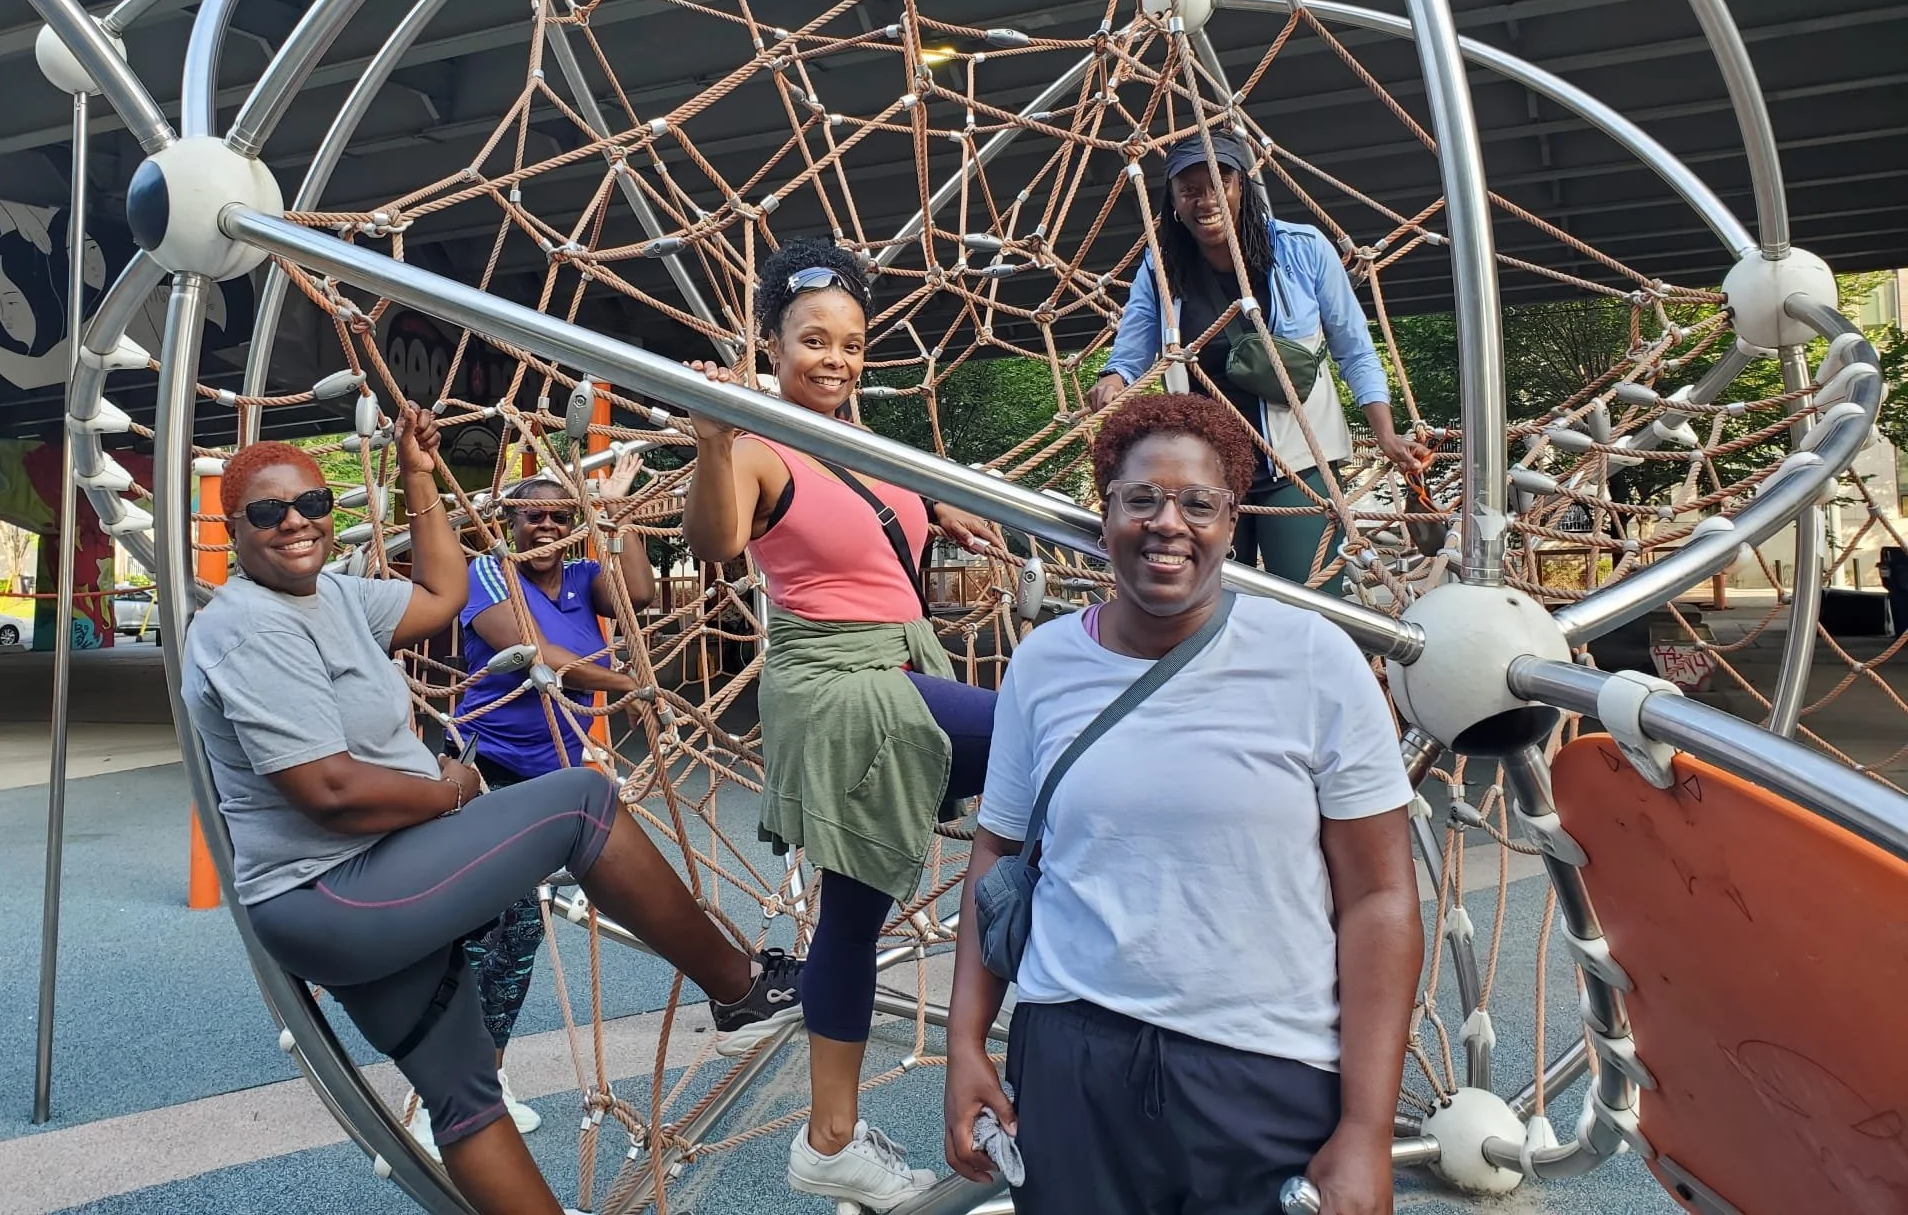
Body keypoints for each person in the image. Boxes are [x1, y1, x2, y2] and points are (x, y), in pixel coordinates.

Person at [181, 403, 803, 1215]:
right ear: (234, 528)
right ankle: (741, 990)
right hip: (338, 888)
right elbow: (329, 791)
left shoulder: (329, 597)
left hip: (362, 884)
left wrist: (416, 474)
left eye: (313, 504)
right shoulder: (249, 628)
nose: (296, 522)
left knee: (465, 1095)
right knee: (582, 805)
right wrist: (450, 789)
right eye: (269, 512)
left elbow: (441, 592)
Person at [943, 393, 1420, 1215]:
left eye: (1199, 502)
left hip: (1264, 1070)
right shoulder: (1045, 664)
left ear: (1232, 521)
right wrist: (965, 1045)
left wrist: (1367, 1126)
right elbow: (998, 855)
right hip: (1071, 1060)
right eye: (1142, 499)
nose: (1170, 522)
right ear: (1107, 515)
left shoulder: (1313, 659)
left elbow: (1379, 896)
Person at [681, 239, 1001, 1210]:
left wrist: (943, 514)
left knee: (852, 919)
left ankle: (828, 1143)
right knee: (1044, 734)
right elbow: (719, 544)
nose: (835, 358)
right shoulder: (755, 446)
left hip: (900, 665)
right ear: (770, 342)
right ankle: (1069, 1042)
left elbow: (878, 522)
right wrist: (707, 440)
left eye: (852, 343)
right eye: (813, 339)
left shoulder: (866, 448)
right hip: (839, 689)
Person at [398, 455, 666, 1157]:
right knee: (485, 928)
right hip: (488, 768)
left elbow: (638, 593)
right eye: (533, 514)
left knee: (519, 938)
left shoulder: (582, 576)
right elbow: (533, 650)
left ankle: (479, 1078)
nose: (546, 524)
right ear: (509, 521)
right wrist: (629, 685)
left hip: (554, 771)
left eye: (559, 515)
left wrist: (617, 514)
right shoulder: (489, 572)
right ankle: (441, 1093)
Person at [1088, 130, 1429, 589]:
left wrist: (1384, 433)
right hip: (1208, 466)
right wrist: (1113, 379)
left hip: (1297, 461)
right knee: (1210, 599)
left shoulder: (1302, 248)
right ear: (1171, 200)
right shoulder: (1161, 266)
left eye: (1218, 184)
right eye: (1189, 190)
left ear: (1241, 186)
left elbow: (1354, 346)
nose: (1205, 200)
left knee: (1309, 596)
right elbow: (1133, 349)